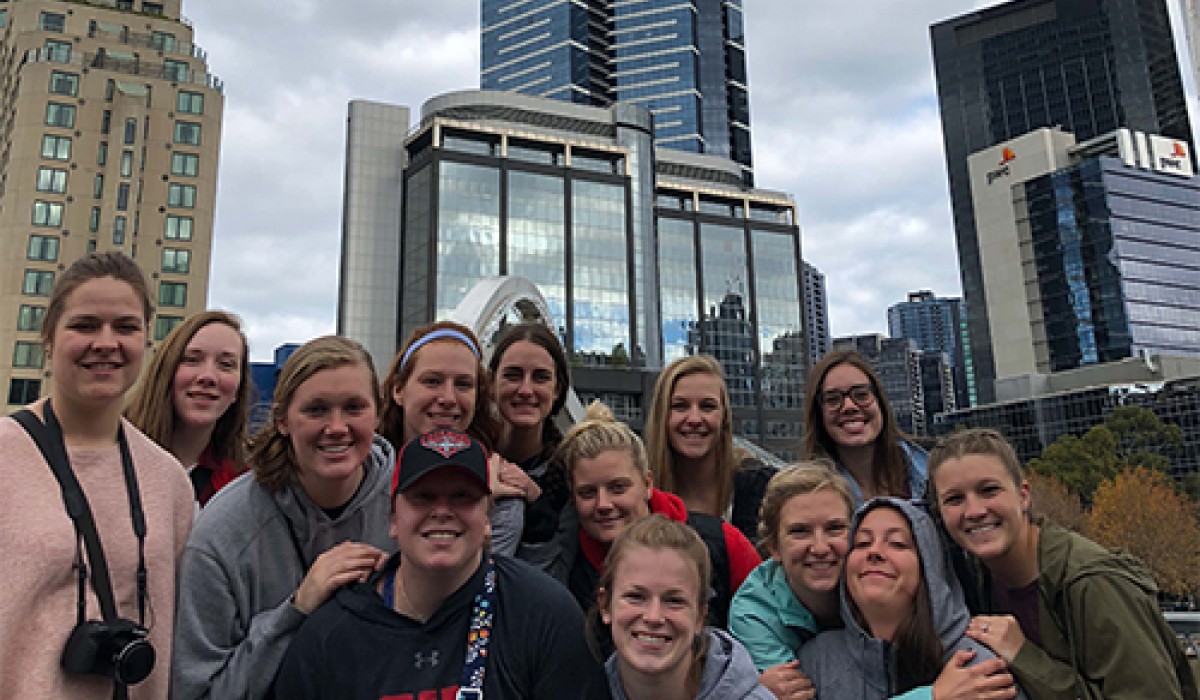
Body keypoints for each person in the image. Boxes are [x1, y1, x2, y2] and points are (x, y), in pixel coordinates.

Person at [273, 429, 608, 699]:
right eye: (424, 496)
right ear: (393, 518)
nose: (443, 511)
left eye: (463, 496)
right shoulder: (333, 635)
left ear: (487, 517)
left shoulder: (544, 615)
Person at [0, 252, 194, 699]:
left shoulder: (167, 481)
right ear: (48, 339)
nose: (106, 342)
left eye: (125, 327)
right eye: (85, 325)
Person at [171, 336, 395, 699]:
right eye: (316, 410)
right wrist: (295, 611)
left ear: (378, 414)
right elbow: (196, 693)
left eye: (354, 408)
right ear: (282, 420)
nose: (336, 427)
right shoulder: (221, 535)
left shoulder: (410, 508)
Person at [928, 428, 1199, 699]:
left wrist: (1025, 657)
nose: (974, 511)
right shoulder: (974, 578)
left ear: (1023, 495)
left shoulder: (1094, 583)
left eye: (989, 490)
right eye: (954, 499)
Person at [545, 402, 761, 630]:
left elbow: (766, 621)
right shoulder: (564, 564)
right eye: (587, 493)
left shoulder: (721, 543)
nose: (604, 504)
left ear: (647, 484)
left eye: (618, 488)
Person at [797, 497, 1024, 699]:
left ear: (930, 568)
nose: (874, 552)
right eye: (862, 543)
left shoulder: (977, 668)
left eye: (897, 544)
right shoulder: (814, 662)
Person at [379, 320, 526, 553]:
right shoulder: (362, 474)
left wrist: (480, 506)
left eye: (463, 384)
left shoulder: (502, 494)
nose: (448, 398)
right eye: (432, 381)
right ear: (399, 389)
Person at [598, 515, 774, 700]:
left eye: (674, 601)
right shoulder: (581, 690)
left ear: (700, 616)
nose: (653, 617)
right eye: (636, 597)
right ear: (605, 605)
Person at [126, 310, 251, 506]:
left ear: (238, 389)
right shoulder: (113, 455)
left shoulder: (244, 487)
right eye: (192, 360)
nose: (208, 376)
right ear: (166, 372)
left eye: (226, 365)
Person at [646, 354, 776, 544]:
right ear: (662, 416)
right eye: (680, 406)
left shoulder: (763, 490)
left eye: (707, 406)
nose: (694, 419)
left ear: (724, 417)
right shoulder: (640, 495)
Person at [802, 349, 927, 504]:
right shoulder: (808, 495)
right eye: (833, 399)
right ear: (818, 414)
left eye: (861, 395)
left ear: (879, 401)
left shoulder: (932, 471)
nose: (849, 406)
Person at [489, 322, 573, 548]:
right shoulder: (466, 456)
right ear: (491, 384)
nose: (526, 390)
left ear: (557, 389)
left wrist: (537, 502)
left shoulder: (572, 474)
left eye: (540, 377)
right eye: (513, 375)